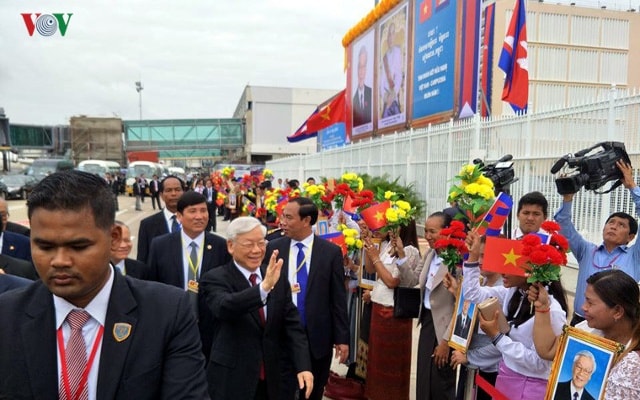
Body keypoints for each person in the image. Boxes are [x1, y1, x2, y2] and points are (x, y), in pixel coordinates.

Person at [0, 170, 209, 399]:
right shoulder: (6, 315)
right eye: (45, 247)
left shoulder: (167, 312)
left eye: (78, 246)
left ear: (115, 238)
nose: (59, 261)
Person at [201, 217, 314, 399]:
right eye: (248, 244)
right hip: (233, 378)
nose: (256, 250)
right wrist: (263, 289)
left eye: (261, 243)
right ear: (231, 246)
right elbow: (225, 306)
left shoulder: (276, 276)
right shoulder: (215, 278)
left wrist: (303, 366)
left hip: (273, 378)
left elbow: (292, 326)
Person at [463, 230, 568, 400]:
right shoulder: (513, 292)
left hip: (530, 386)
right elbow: (472, 294)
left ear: (532, 269)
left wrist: (498, 338)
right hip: (506, 376)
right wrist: (473, 255)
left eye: (511, 263)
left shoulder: (553, 311)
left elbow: (540, 363)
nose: (502, 270)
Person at [264, 197, 349, 400]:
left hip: (317, 337)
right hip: (280, 333)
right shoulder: (273, 248)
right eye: (283, 216)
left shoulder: (330, 252)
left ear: (306, 220)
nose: (282, 221)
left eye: (288, 217)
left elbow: (337, 298)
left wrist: (342, 339)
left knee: (312, 391)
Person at [530, 269, 640, 400]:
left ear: (617, 311)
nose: (583, 307)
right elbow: (548, 350)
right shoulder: (586, 330)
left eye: (590, 302)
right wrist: (542, 307)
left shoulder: (635, 359)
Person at [147, 190, 231, 360]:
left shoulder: (220, 246)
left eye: (203, 210)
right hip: (173, 325)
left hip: (211, 328)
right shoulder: (160, 245)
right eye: (192, 211)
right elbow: (151, 285)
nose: (199, 216)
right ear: (179, 216)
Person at [554, 160, 640, 326]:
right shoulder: (586, 250)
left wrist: (631, 186)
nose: (613, 227)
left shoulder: (635, 256)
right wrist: (567, 198)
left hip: (617, 326)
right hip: (580, 322)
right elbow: (563, 226)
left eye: (621, 225)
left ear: (630, 237)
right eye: (611, 222)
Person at [361, 222, 420, 400]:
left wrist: (375, 257)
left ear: (401, 228)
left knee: (391, 364)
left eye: (389, 224)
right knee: (376, 361)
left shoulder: (409, 251)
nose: (383, 227)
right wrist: (368, 245)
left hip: (393, 312)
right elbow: (371, 269)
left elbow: (392, 281)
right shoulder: (386, 245)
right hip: (378, 306)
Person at [400, 211, 456, 400]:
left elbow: (460, 305)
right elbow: (410, 280)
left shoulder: (456, 261)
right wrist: (401, 256)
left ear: (447, 232)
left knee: (440, 383)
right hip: (427, 321)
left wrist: (446, 341)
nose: (428, 236)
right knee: (423, 378)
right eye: (426, 231)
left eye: (433, 231)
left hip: (444, 329)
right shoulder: (431, 255)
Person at [136, 175, 185, 263]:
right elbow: (142, 261)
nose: (173, 194)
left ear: (183, 192)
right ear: (161, 195)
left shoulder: (194, 221)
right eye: (168, 190)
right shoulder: (147, 225)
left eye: (177, 190)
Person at [380, 22, 402, 118]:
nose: (391, 37)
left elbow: (398, 75)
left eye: (393, 33)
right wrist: (385, 97)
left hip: (393, 98)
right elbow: (381, 81)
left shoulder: (397, 51)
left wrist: (392, 96)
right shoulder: (384, 57)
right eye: (389, 33)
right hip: (386, 98)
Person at [352, 45, 373, 127]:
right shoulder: (354, 100)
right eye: (359, 66)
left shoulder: (371, 93)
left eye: (364, 66)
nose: (361, 70)